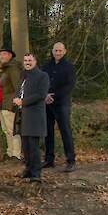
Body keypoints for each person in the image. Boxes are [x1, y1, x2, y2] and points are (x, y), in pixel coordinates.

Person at [14, 53, 50, 182]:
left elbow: (41, 94)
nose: (27, 62)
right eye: (25, 60)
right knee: (25, 146)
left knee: (33, 146)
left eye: (30, 60)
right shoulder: (23, 75)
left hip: (35, 116)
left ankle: (36, 173)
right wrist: (17, 99)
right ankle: (28, 169)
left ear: (35, 61)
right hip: (23, 115)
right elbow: (20, 91)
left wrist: (23, 102)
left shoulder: (42, 76)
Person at [42, 42, 77, 172]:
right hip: (47, 104)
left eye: (60, 51)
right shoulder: (46, 66)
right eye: (56, 51)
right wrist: (45, 95)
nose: (58, 53)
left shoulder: (69, 67)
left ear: (65, 51)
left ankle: (71, 160)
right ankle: (49, 159)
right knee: (48, 132)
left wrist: (54, 97)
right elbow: (41, 82)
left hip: (62, 104)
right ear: (52, 51)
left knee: (65, 131)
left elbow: (69, 86)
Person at [0, 47, 23, 161]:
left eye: (4, 54)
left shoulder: (13, 68)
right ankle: (10, 152)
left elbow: (18, 86)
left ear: (10, 55)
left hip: (10, 104)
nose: (2, 56)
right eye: (0, 54)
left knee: (13, 129)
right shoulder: (4, 69)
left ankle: (16, 154)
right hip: (2, 104)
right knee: (6, 129)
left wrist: (16, 102)